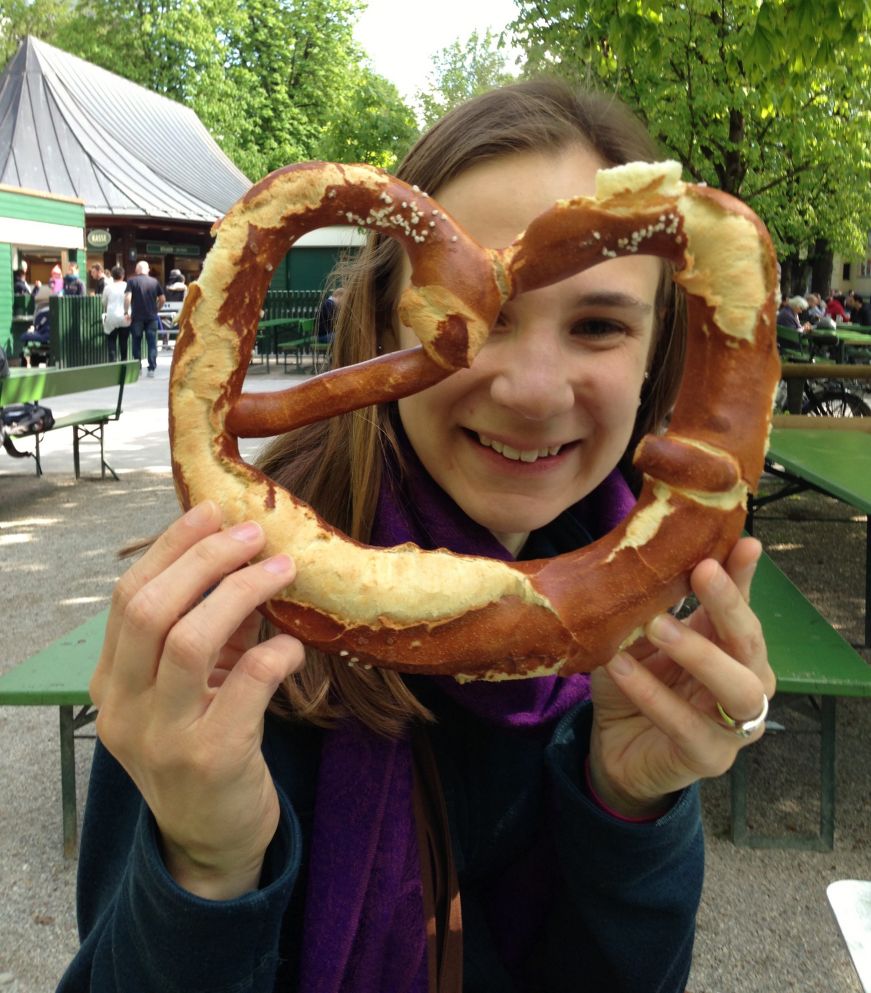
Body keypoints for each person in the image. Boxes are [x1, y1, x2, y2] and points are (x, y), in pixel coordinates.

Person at [59, 81, 774, 993]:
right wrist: (206, 867)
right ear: (384, 319)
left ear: (654, 355)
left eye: (597, 325)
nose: (531, 389)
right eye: (483, 321)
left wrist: (630, 807)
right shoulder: (227, 639)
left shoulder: (638, 637)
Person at [124, 260, 165, 378]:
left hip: (137, 317)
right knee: (152, 343)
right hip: (151, 317)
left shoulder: (132, 281)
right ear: (147, 270)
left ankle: (138, 367)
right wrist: (157, 309)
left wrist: (126, 312)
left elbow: (127, 298)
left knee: (136, 342)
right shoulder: (154, 282)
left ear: (137, 270)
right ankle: (151, 368)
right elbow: (162, 299)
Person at [101, 265, 129, 362]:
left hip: (111, 316)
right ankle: (124, 361)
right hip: (125, 317)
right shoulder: (127, 285)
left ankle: (112, 362)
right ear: (123, 275)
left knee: (111, 340)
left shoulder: (108, 288)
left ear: (112, 275)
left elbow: (104, 302)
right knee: (123, 341)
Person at [161, 268, 187, 349]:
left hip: (167, 310)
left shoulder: (166, 287)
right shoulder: (183, 288)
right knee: (181, 328)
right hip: (180, 310)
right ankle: (179, 345)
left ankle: (165, 344)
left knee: (166, 327)